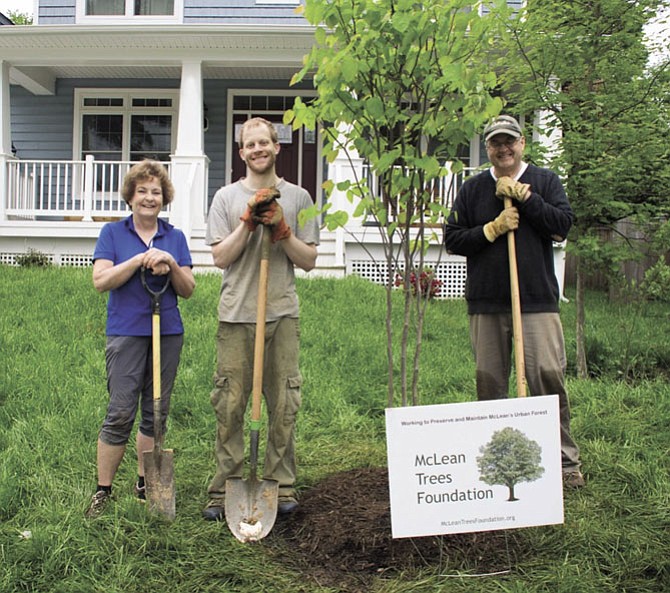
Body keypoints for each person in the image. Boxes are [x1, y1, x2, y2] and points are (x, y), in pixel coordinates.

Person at [443, 115, 584, 488]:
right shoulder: (473, 190)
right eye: (495, 143)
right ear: (488, 148)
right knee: (490, 382)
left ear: (522, 143)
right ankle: (500, 460)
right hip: (486, 302)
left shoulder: (545, 181)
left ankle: (564, 462)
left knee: (547, 378)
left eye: (509, 141)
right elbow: (453, 239)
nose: (503, 148)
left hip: (537, 300)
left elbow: (562, 225)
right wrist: (491, 229)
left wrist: (527, 199)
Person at [203, 117, 319, 520]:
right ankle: (225, 489)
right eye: (249, 145)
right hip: (237, 314)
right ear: (241, 153)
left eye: (263, 143)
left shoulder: (300, 197)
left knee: (284, 402)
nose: (257, 150)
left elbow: (308, 261)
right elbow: (220, 258)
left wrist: (284, 231)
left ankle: (280, 484)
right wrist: (249, 223)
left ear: (276, 146)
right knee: (230, 404)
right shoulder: (225, 198)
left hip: (281, 313)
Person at [85, 160, 196, 518]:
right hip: (126, 332)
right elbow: (101, 281)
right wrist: (138, 260)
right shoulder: (112, 234)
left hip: (167, 332)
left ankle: (145, 483)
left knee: (156, 413)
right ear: (130, 196)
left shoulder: (174, 237)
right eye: (143, 191)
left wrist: (170, 262)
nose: (149, 198)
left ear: (164, 199)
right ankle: (103, 490)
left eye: (156, 192)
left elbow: (188, 289)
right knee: (120, 412)